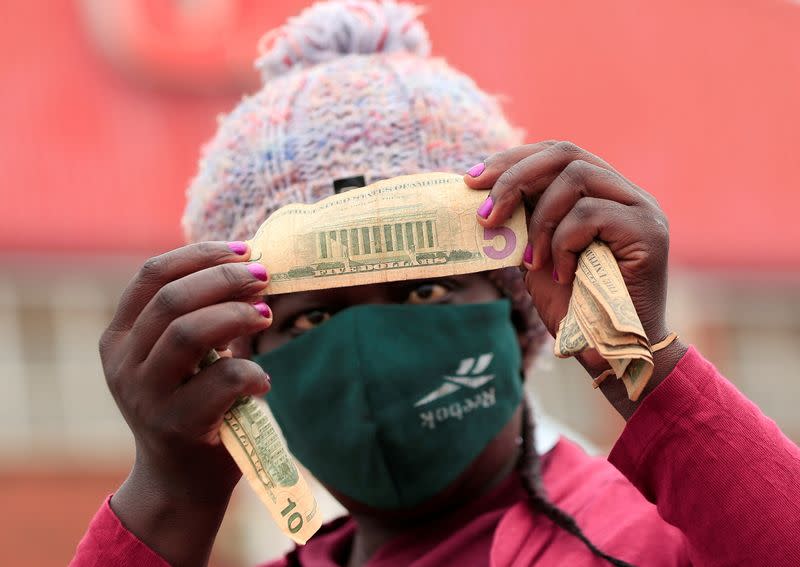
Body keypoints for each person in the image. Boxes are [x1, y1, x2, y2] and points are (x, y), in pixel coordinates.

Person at [70, 2, 800, 566]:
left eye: (422, 292)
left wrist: (645, 366)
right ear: (246, 371)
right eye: (309, 319)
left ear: (520, 316)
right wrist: (171, 493)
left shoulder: (664, 543)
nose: (368, 349)